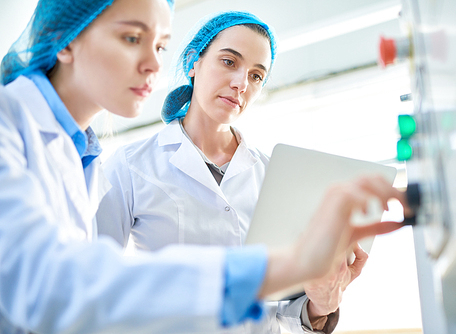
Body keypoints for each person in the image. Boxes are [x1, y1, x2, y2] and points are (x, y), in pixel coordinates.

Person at [0, 0, 408, 333]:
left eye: (160, 47)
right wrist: (291, 263)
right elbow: (72, 287)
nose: (154, 64)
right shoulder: (114, 160)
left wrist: (320, 303)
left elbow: (283, 312)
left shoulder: (78, 155)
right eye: (131, 37)